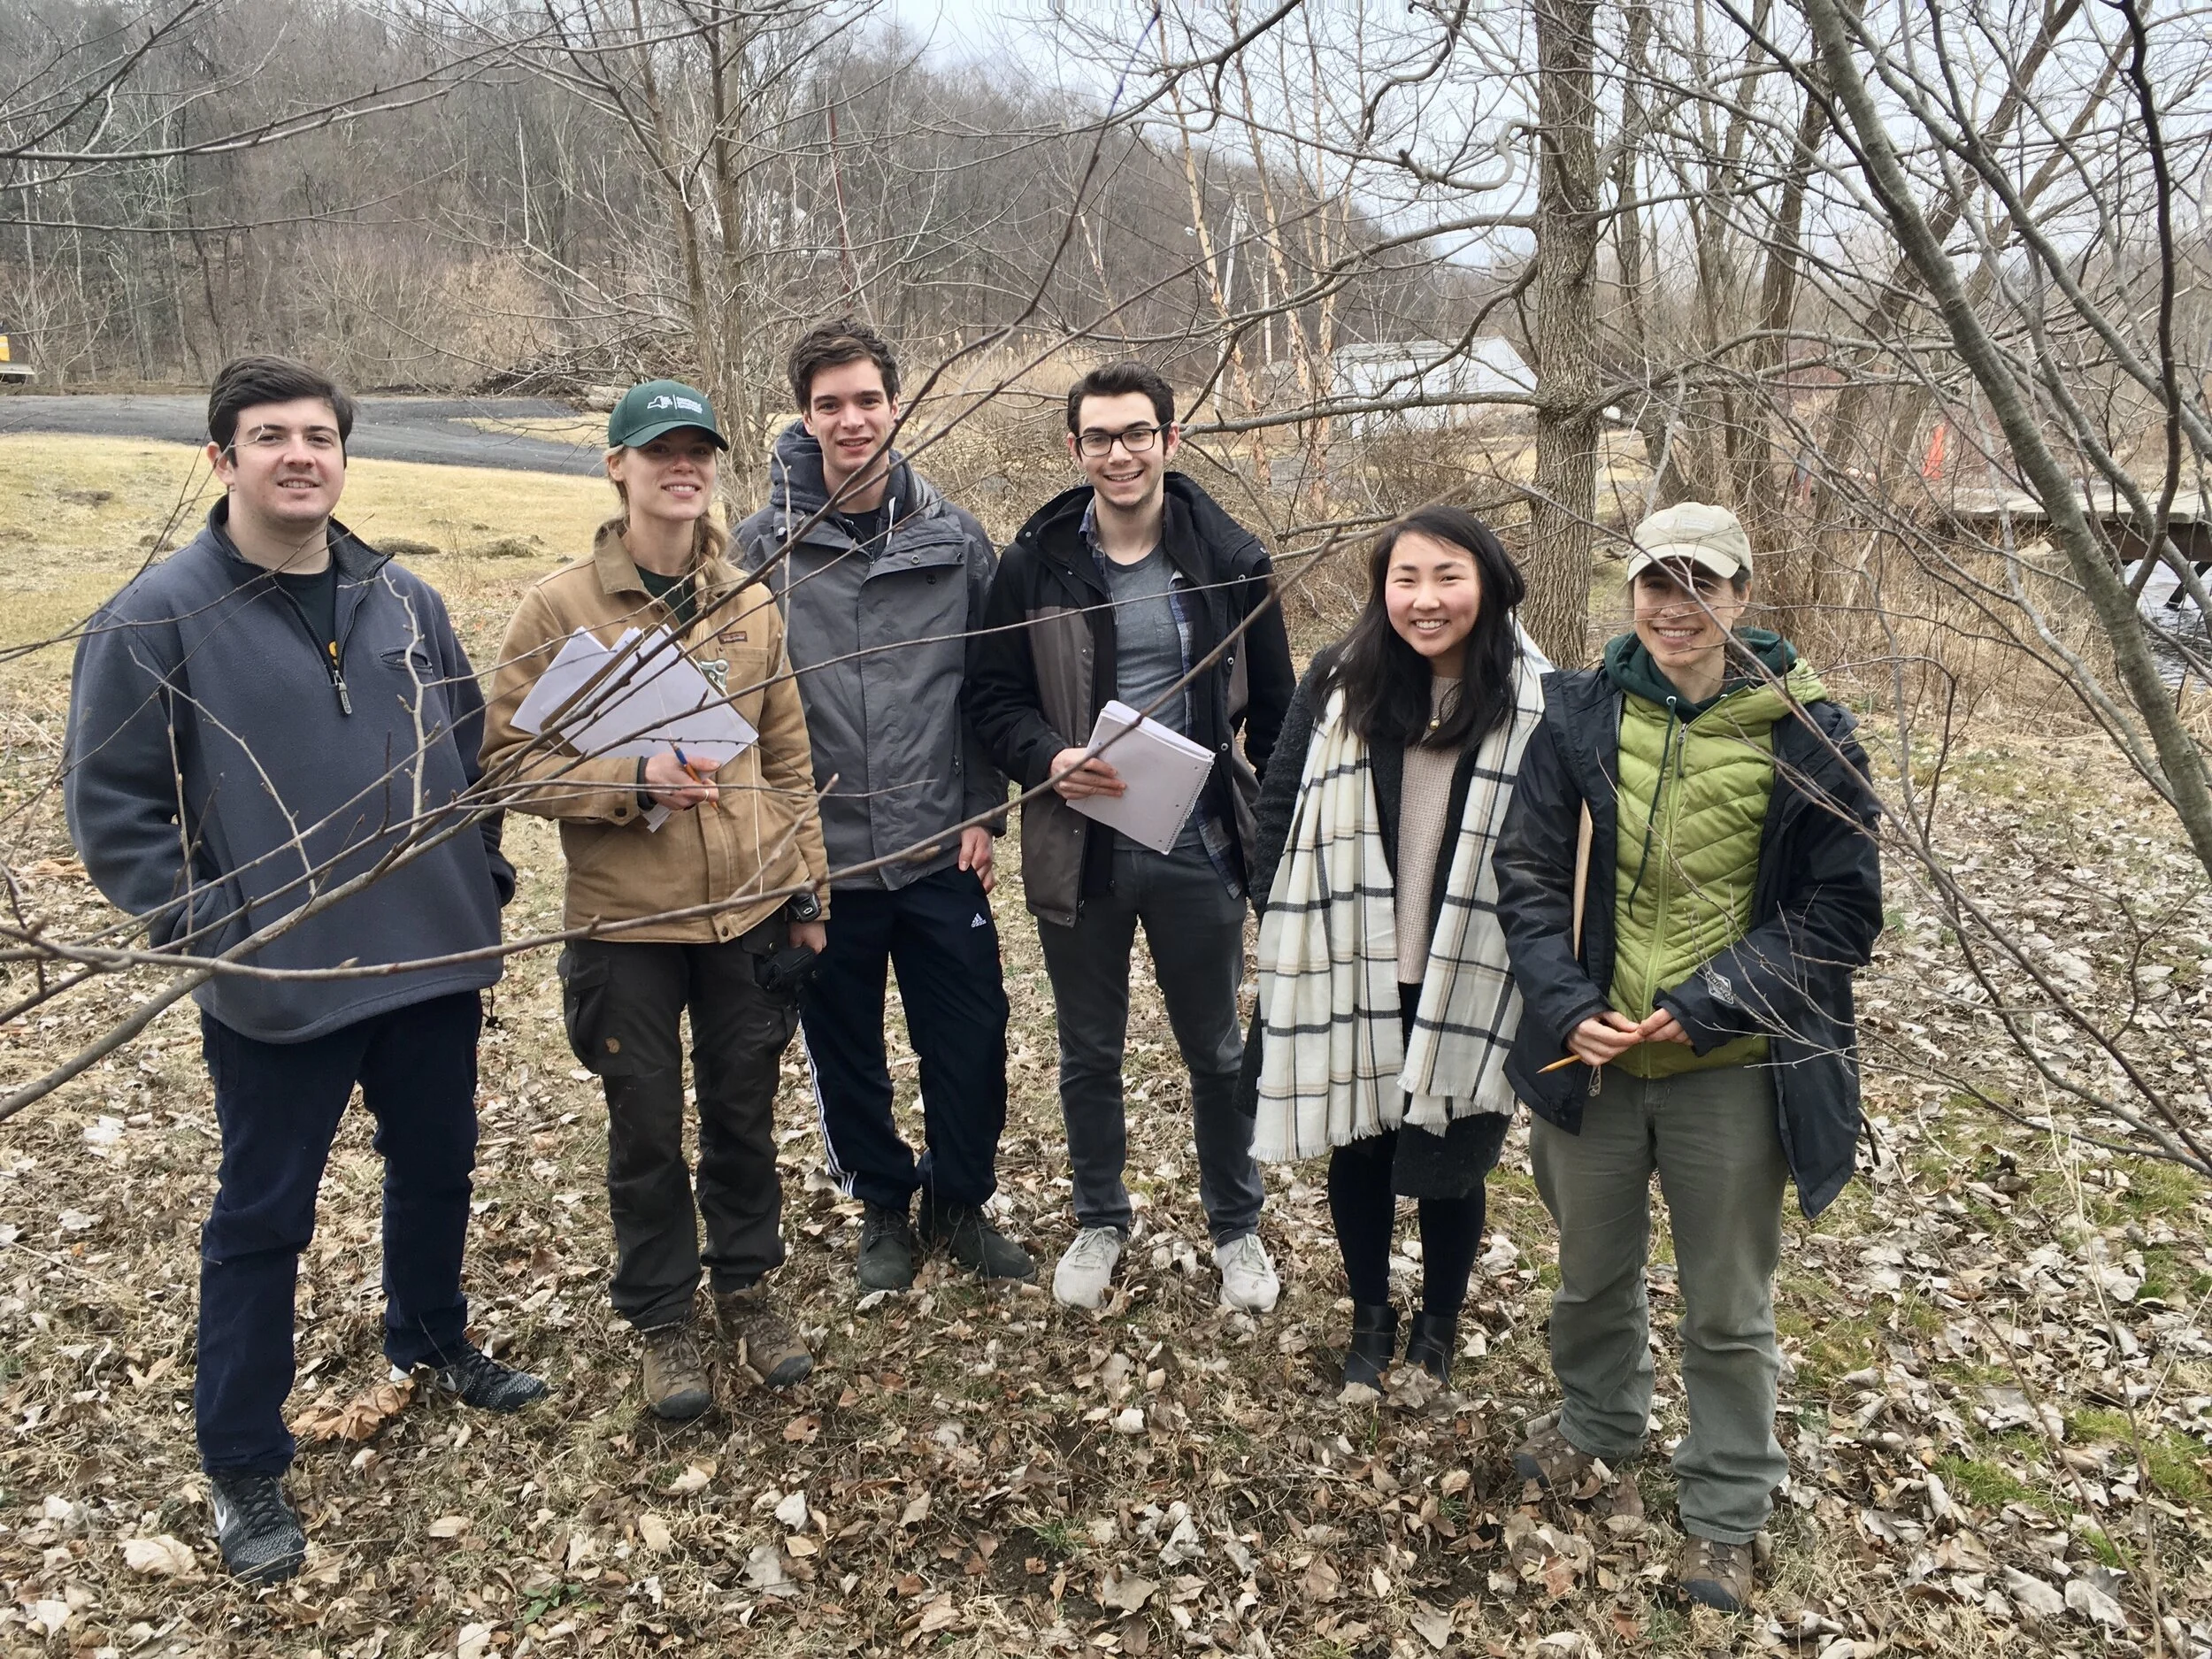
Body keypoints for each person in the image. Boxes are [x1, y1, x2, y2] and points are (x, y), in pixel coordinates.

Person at [64, 356, 544, 1585]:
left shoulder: (406, 602)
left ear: (344, 455)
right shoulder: (155, 618)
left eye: (319, 435)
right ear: (222, 458)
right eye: (269, 435)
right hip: (281, 981)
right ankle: (242, 1454)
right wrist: (213, 922)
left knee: (437, 1163)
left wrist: (478, 879)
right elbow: (116, 806)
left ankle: (433, 1334)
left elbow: (466, 755)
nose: (298, 454)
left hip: (428, 957)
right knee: (261, 1215)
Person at [1493, 502, 1883, 1612]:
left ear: (1741, 595)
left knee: (1725, 1306)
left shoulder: (1810, 734)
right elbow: (1524, 882)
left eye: (1701, 584)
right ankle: (1597, 1424)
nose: (1676, 606)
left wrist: (1713, 999)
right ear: (1632, 593)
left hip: (1733, 1068)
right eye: (1657, 584)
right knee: (1588, 1279)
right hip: (1596, 1065)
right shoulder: (1573, 716)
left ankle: (1724, 1509)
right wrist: (1566, 1006)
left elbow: (1842, 914)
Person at [480, 380, 830, 1422]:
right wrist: (626, 784)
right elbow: (502, 764)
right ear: (616, 467)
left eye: (698, 452)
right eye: (659, 451)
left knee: (742, 1110)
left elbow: (788, 754)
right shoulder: (559, 607)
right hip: (626, 921)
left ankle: (747, 1288)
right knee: (644, 1123)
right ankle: (662, 1318)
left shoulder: (748, 599)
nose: (683, 468)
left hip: (748, 911)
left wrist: (809, 886)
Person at [968, 361, 1295, 1314]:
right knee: (1089, 1052)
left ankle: (1237, 1228)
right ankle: (1099, 1217)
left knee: (1219, 1054)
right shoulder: (1033, 565)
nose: (1120, 453)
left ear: (1169, 441)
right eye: (1100, 437)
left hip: (1199, 849)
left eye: (1137, 433)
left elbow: (1273, 714)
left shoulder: (1231, 560)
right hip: (1083, 848)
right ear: (1074, 449)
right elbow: (990, 698)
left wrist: (1271, 837)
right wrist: (1046, 758)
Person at [735, 319, 1030, 1291]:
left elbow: (986, 688)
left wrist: (983, 809)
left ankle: (959, 1200)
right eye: (830, 404)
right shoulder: (764, 549)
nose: (850, 419)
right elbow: (743, 709)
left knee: (972, 1035)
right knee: (843, 1046)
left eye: (867, 399)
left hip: (942, 846)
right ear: (806, 415)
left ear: (894, 405)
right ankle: (882, 1209)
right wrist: (779, 850)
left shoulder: (953, 538)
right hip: (826, 860)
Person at [1244, 507, 1545, 1386]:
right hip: (1350, 965)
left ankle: (1439, 1325)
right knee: (1362, 1148)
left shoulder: (1538, 700)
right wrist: (1285, 920)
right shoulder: (1340, 683)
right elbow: (1279, 803)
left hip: (1475, 976)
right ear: (1382, 591)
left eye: (1447, 576)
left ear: (1487, 584)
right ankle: (1371, 1318)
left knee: (1451, 1160)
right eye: (1404, 578)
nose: (1425, 598)